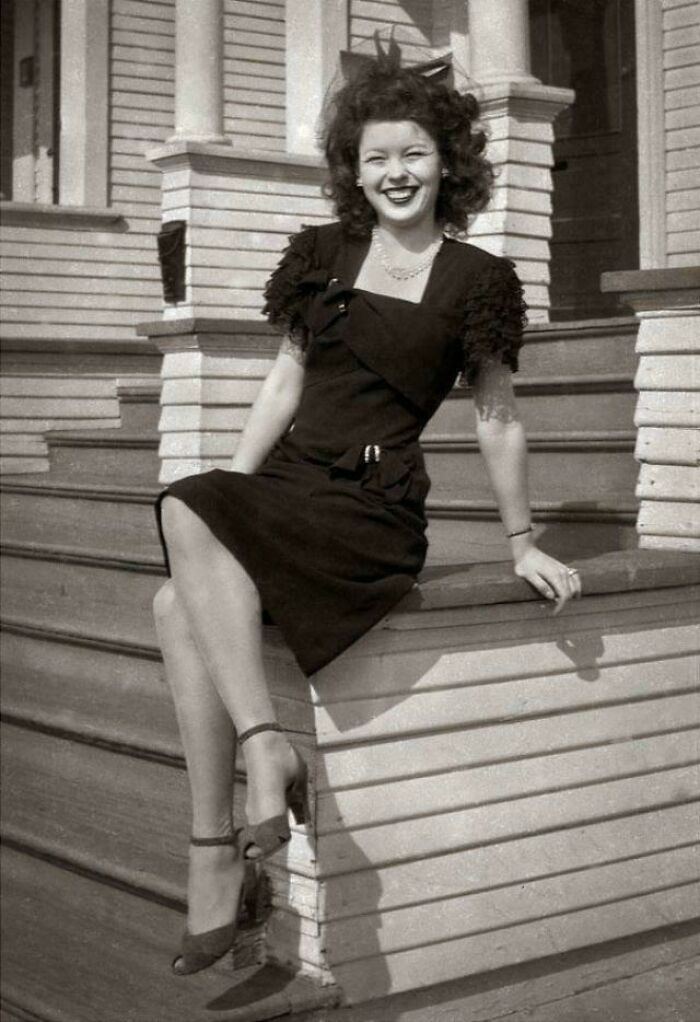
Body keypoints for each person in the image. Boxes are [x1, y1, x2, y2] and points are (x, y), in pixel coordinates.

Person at [153, 49, 582, 976]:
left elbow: (499, 417)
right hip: (292, 484)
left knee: (185, 530)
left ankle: (241, 803)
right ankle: (223, 825)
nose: (396, 172)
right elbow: (285, 382)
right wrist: (231, 504)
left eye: (414, 153)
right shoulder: (321, 254)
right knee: (175, 580)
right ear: (354, 168)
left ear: (447, 162)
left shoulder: (479, 278)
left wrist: (521, 541)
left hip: (375, 510)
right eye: (376, 156)